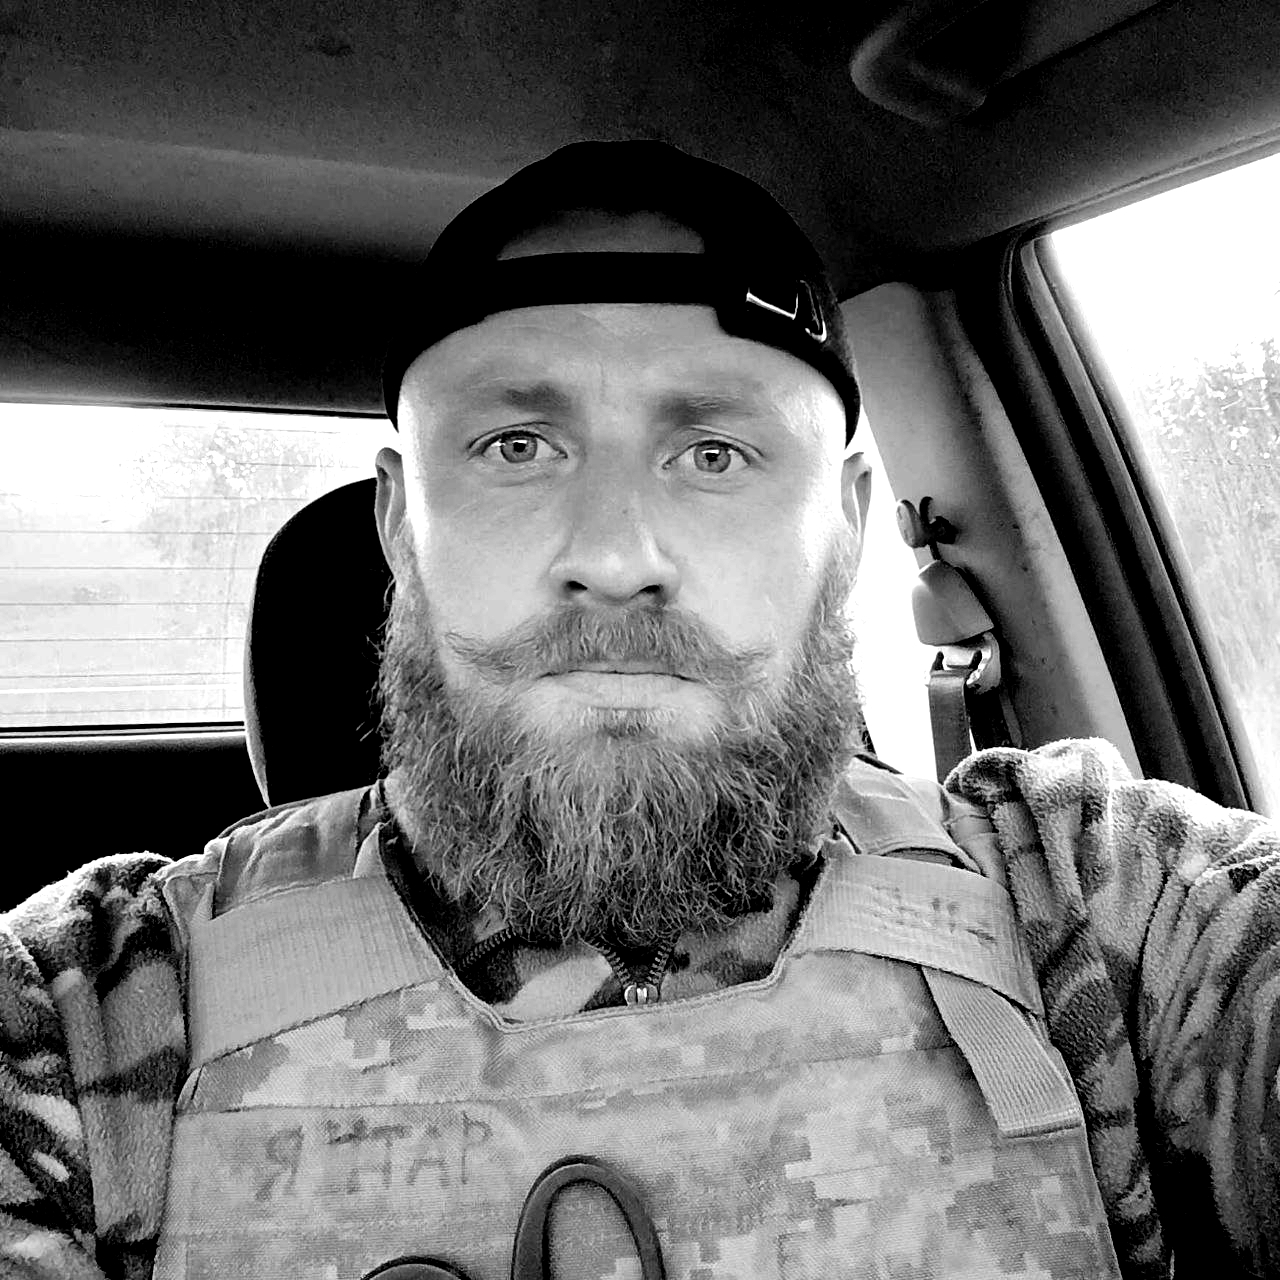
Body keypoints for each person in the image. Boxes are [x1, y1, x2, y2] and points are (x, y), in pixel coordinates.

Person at [2, 141, 1279, 1280]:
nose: (614, 556)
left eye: (712, 453)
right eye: (517, 446)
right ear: (397, 522)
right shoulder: (96, 1010)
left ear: (843, 525)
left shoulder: (1083, 895)